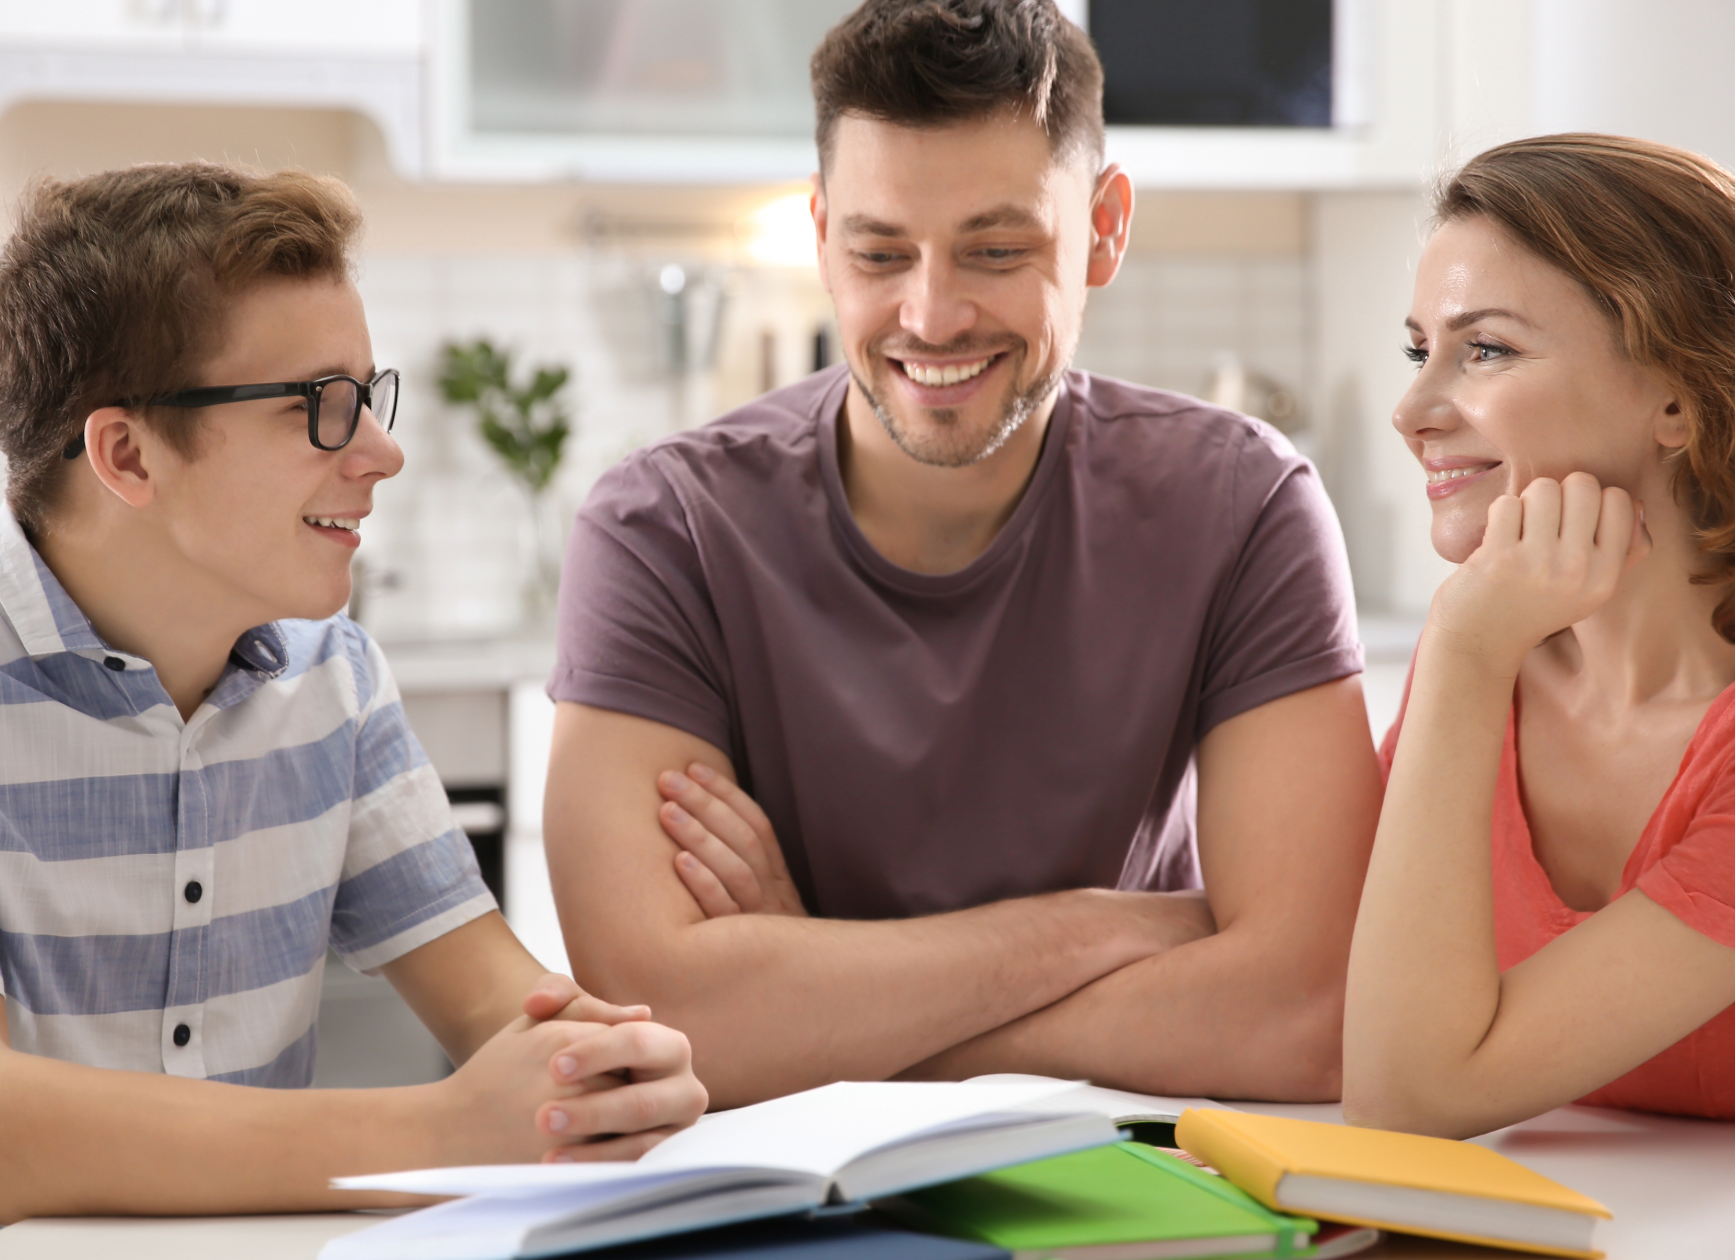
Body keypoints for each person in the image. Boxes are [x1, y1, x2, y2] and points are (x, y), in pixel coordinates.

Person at [0, 164, 706, 1260]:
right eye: (319, 408)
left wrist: (605, 1070)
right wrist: (439, 1130)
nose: (380, 454)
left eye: (366, 395)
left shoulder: (330, 678)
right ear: (126, 454)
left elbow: (500, 1004)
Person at [543, 0, 1382, 1109]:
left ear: (1104, 228)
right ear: (819, 231)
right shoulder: (663, 532)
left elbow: (1306, 1014)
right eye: (879, 252)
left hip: (1137, 1182)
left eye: (994, 249)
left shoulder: (1242, 506)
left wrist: (820, 1013)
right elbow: (666, 1010)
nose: (930, 316)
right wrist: (1098, 930)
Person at [1344, 133, 1735, 1139]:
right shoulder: (1491, 671)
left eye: (1483, 349)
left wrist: (1456, 652)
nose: (1412, 411)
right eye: (1420, 350)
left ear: (1678, 393)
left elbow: (1405, 1097)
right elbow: (1320, 995)